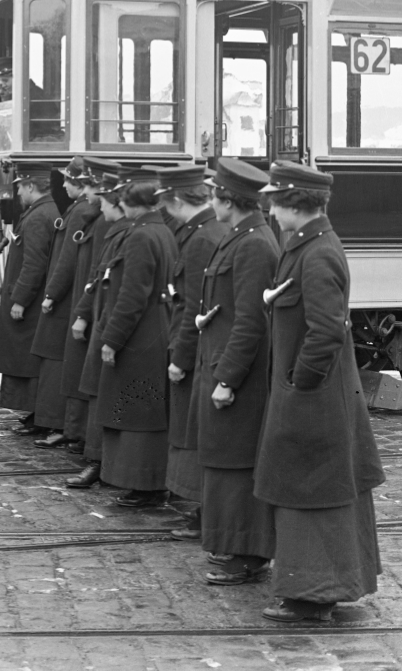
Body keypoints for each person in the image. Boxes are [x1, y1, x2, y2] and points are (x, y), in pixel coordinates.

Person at [255, 160, 385, 623]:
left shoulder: (318, 253)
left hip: (315, 399)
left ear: (295, 203)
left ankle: (313, 595)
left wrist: (299, 384)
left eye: (275, 202)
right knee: (309, 492)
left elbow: (326, 331)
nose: (270, 210)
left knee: (312, 495)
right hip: (312, 396)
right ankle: (313, 589)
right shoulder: (305, 246)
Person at [193, 158, 279, 585]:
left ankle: (249, 553)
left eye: (215, 195)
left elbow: (250, 321)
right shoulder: (241, 237)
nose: (211, 202)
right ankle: (236, 546)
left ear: (229, 200)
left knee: (239, 465)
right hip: (221, 366)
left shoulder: (254, 245)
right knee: (226, 462)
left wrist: (227, 379)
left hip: (237, 379)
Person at [89, 170, 178, 508]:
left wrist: (112, 339)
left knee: (137, 410)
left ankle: (145, 482)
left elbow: (132, 294)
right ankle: (148, 481)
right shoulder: (161, 230)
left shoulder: (140, 236)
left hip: (140, 334)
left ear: (132, 204)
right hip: (155, 328)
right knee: (146, 407)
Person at [157, 162, 229, 541]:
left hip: (199, 351)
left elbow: (194, 307)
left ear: (174, 199)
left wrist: (179, 358)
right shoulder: (204, 231)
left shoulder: (201, 238)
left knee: (196, 435)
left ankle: (206, 511)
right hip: (205, 349)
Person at [64, 163, 128, 489]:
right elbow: (97, 276)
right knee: (97, 393)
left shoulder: (125, 231)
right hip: (103, 316)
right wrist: (85, 311)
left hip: (113, 323)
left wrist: (88, 316)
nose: (95, 200)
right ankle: (97, 458)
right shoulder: (112, 226)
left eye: (101, 195)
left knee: (105, 395)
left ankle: (100, 461)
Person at [0, 161, 60, 434]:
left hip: (30, 304)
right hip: (36, 299)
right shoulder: (45, 212)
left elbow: (34, 264)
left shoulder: (39, 216)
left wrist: (19, 299)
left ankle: (38, 415)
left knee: (28, 361)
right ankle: (35, 413)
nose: (18, 194)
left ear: (31, 185)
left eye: (20, 187)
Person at [30, 157, 89, 449]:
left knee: (58, 361)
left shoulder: (80, 213)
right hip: (70, 297)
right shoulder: (79, 210)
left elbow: (67, 259)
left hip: (66, 301)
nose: (64, 185)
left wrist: (51, 294)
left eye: (69, 180)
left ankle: (61, 423)